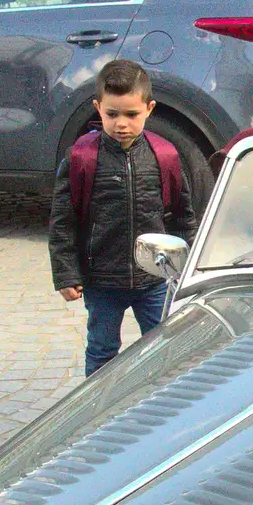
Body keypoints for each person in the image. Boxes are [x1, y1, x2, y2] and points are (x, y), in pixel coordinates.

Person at [50, 59, 196, 376]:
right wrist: (66, 274)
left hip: (155, 280)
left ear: (149, 108)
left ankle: (161, 405)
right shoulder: (81, 158)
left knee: (164, 345)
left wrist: (192, 268)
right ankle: (97, 411)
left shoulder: (165, 156)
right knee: (102, 349)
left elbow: (183, 217)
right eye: (111, 114)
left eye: (132, 114)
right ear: (97, 108)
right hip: (101, 280)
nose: (121, 124)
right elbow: (63, 222)